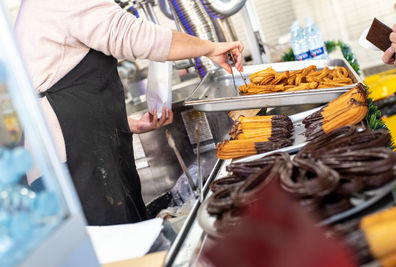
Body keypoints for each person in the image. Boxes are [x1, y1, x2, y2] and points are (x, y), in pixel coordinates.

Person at [15, 0, 244, 225]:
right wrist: (211, 48)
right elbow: (137, 37)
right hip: (75, 161)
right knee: (113, 247)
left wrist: (124, 123)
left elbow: (53, 80)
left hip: (67, 148)